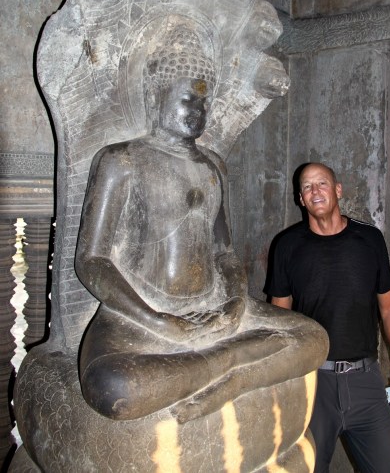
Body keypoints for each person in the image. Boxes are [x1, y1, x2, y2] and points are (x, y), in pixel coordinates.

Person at [75, 22, 327, 424]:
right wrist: (156, 320)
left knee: (314, 339)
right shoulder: (121, 160)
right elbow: (92, 261)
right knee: (112, 387)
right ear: (155, 96)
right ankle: (230, 360)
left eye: (205, 104)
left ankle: (232, 374)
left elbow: (224, 252)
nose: (199, 112)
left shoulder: (214, 166)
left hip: (213, 306)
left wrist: (233, 303)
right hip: (140, 319)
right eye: (188, 100)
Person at [266, 162, 390, 473]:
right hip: (313, 384)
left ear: (338, 190)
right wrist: (280, 385)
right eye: (307, 187)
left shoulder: (369, 239)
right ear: (300, 198)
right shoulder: (286, 246)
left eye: (322, 183)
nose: (315, 191)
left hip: (366, 382)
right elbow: (279, 320)